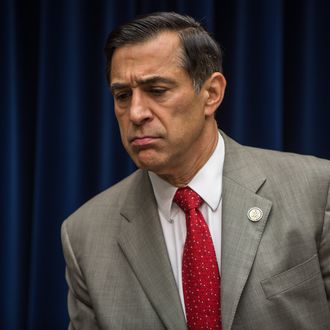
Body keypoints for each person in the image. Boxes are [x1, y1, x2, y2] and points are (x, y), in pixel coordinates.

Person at [61, 11, 330, 330]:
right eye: (122, 96)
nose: (135, 113)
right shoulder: (84, 235)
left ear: (211, 93)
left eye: (157, 90)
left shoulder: (315, 189)